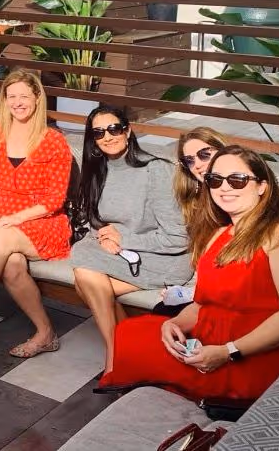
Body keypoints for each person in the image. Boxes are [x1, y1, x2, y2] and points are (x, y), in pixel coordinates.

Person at [101, 146, 279, 406]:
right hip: (211, 337)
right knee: (130, 331)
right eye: (215, 180)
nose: (225, 188)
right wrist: (177, 323)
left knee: (138, 350)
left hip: (253, 350)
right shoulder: (218, 235)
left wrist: (229, 352)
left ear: (262, 186)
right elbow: (202, 303)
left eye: (237, 179)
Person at [0, 69, 73, 358]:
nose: (18, 102)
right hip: (1, 218)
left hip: (41, 222)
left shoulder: (53, 141)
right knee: (12, 266)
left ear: (36, 99)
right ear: (4, 100)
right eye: (12, 96)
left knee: (4, 238)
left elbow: (56, 199)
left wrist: (17, 219)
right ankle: (46, 332)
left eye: (24, 96)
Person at [69, 106, 191, 371]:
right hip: (123, 255)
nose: (108, 137)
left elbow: (177, 238)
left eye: (114, 129)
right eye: (99, 132)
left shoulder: (155, 170)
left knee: (85, 280)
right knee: (84, 262)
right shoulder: (98, 170)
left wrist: (124, 238)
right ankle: (126, 353)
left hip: (163, 258)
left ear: (127, 130)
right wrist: (106, 239)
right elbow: (97, 225)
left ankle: (115, 358)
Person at [175, 127, 228, 230]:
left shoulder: (242, 189)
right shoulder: (192, 201)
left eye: (204, 154)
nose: (197, 165)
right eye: (189, 160)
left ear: (222, 150)